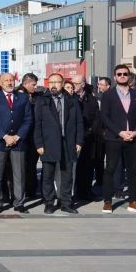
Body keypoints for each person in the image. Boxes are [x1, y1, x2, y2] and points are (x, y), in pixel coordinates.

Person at [99, 65, 136, 214]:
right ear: (114, 77)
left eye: (125, 74)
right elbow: (105, 117)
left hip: (133, 138)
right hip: (114, 138)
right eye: (119, 74)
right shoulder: (108, 95)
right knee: (110, 169)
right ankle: (107, 201)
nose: (122, 76)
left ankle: (133, 201)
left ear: (129, 76)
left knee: (132, 170)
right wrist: (119, 132)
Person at [34, 73, 84, 215]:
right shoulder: (42, 100)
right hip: (48, 143)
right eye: (51, 82)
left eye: (57, 82)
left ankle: (66, 203)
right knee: (48, 175)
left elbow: (79, 122)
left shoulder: (71, 100)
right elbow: (37, 124)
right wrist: (39, 144)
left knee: (67, 175)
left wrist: (79, 141)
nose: (53, 85)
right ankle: (49, 203)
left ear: (63, 83)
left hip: (68, 142)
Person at [0, 72, 32, 214]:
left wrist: (17, 136)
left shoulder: (23, 98)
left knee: (19, 173)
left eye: (11, 80)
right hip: (0, 141)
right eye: (6, 80)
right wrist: (5, 136)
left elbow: (28, 119)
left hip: (18, 142)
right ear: (0, 83)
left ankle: (19, 202)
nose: (9, 83)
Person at [71, 74, 100, 202]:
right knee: (74, 167)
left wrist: (89, 131)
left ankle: (86, 191)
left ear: (82, 84)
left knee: (87, 166)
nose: (73, 86)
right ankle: (74, 191)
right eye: (72, 84)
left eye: (76, 84)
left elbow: (96, 118)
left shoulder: (91, 99)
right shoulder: (70, 98)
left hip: (88, 138)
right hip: (74, 138)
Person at [17, 72, 40, 199]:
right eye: (33, 84)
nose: (35, 87)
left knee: (31, 164)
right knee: (25, 165)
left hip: (32, 136)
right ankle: (26, 189)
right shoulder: (20, 96)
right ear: (25, 84)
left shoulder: (34, 96)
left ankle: (31, 188)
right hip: (24, 136)